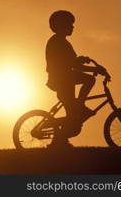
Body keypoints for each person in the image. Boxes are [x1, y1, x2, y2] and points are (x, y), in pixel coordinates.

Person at [45, 10, 110, 147]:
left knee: (74, 121)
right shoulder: (57, 42)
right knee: (89, 81)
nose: (72, 27)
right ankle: (79, 106)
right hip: (61, 80)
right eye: (70, 24)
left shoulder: (63, 43)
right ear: (61, 25)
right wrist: (93, 69)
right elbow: (70, 64)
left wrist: (82, 60)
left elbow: (73, 61)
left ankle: (59, 140)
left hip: (66, 80)